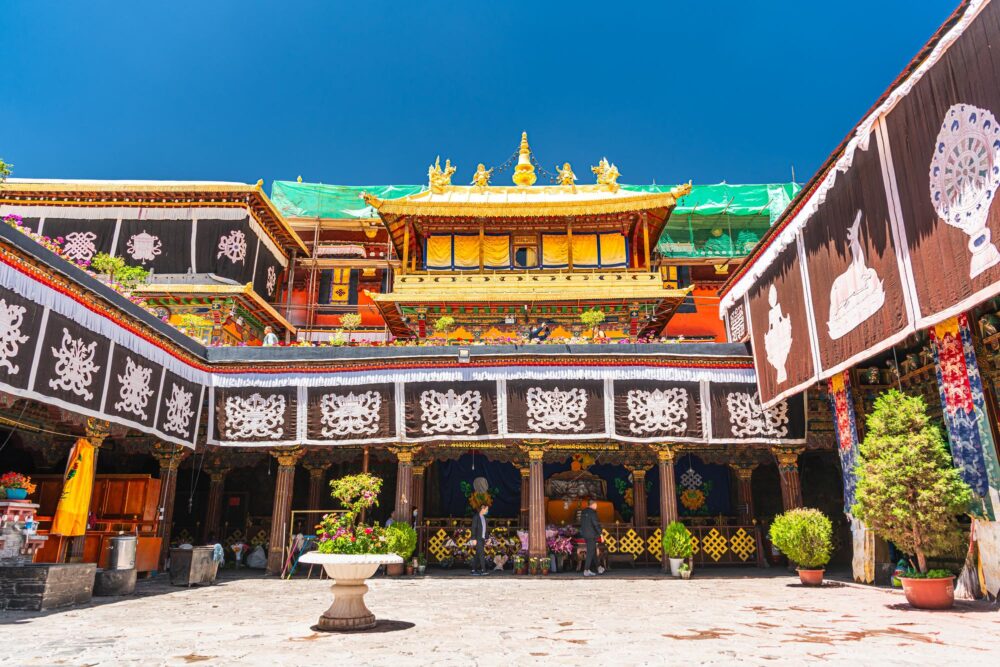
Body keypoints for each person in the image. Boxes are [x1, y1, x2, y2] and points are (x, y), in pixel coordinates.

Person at [579, 499, 604, 577]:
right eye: (596, 505)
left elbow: (582, 523)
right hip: (592, 535)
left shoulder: (583, 512)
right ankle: (586, 570)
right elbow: (595, 524)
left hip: (585, 535)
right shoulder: (592, 512)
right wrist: (601, 534)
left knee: (593, 551)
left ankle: (598, 567)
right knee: (590, 552)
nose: (596, 506)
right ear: (593, 505)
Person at [470, 504, 489, 575]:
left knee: (477, 554)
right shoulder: (476, 517)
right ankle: (483, 570)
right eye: (486, 509)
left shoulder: (484, 518)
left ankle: (473, 570)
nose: (487, 511)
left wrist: (487, 538)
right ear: (482, 509)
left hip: (482, 538)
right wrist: (473, 538)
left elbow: (485, 530)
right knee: (481, 554)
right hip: (478, 538)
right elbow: (473, 528)